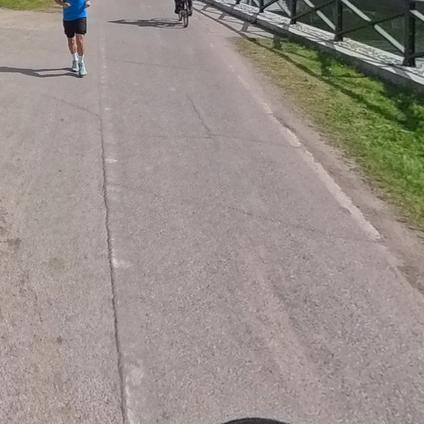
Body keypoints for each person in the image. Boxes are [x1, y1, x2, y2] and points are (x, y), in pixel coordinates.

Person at [55, 0, 91, 77]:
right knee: (71, 40)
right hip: (68, 17)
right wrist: (62, 3)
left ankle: (81, 63)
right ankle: (75, 60)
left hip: (81, 15)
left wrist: (88, 1)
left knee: (80, 39)